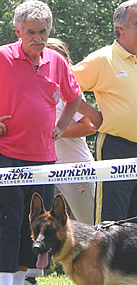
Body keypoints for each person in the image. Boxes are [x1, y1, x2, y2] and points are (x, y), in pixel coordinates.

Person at [0, 0, 81, 285]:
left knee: (33, 227)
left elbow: (74, 99)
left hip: (44, 159)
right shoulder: (3, 57)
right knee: (8, 223)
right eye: (31, 31)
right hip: (6, 156)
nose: (38, 37)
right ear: (18, 31)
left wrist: (61, 126)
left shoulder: (56, 62)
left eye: (43, 31)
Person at [72, 0, 137, 230]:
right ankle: (109, 267)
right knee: (112, 223)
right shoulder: (102, 58)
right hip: (116, 147)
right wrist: (91, 114)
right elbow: (66, 85)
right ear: (120, 28)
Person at [47, 38, 97, 225]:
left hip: (77, 169)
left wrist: (56, 132)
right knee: (49, 232)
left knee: (89, 227)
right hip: (46, 170)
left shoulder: (70, 89)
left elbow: (89, 126)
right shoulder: (34, 88)